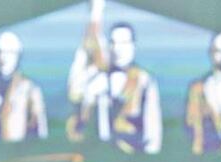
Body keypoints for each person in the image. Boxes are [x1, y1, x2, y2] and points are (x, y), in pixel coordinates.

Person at [66, 8, 162, 154]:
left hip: (129, 157)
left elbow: (152, 132)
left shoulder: (144, 80)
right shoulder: (97, 76)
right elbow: (75, 93)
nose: (118, 49)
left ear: (133, 45)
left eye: (124, 43)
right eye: (114, 43)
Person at [0, 31, 48, 142]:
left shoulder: (30, 89)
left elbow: (40, 129)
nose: (3, 57)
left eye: (8, 53)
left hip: (17, 153)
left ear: (18, 56)